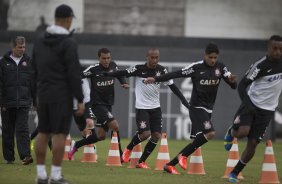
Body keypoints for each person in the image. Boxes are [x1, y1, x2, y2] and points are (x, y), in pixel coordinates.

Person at [145, 43, 237, 174]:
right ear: (205, 55)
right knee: (210, 133)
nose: (213, 60)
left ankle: (170, 165)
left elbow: (233, 85)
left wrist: (233, 81)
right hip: (196, 107)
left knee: (197, 140)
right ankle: (183, 156)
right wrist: (155, 78)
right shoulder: (196, 67)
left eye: (215, 57)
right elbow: (176, 74)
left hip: (208, 109)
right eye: (210, 57)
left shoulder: (221, 67)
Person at [106, 48, 189, 169]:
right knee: (145, 134)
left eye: (157, 57)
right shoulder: (139, 69)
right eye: (152, 57)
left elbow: (173, 86)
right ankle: (128, 149)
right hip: (142, 107)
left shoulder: (162, 70)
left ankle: (141, 162)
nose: (154, 60)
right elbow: (123, 72)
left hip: (156, 108)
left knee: (156, 136)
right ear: (147, 57)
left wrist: (184, 101)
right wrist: (108, 74)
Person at [32, 4, 84, 184]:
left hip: (43, 93)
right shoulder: (69, 42)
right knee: (60, 134)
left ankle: (40, 175)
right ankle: (55, 176)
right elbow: (73, 72)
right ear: (68, 20)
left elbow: (34, 69)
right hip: (62, 94)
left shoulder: (39, 39)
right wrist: (80, 98)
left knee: (43, 132)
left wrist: (35, 96)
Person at [223, 35, 282, 182]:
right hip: (252, 103)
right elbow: (242, 85)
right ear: (268, 48)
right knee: (242, 133)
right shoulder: (260, 65)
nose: (278, 52)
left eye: (281, 49)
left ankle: (235, 173)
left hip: (267, 110)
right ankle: (231, 131)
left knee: (253, 143)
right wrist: (248, 104)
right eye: (274, 48)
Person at [68, 48, 129, 162]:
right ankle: (121, 155)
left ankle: (76, 145)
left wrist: (123, 82)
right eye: (104, 58)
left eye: (108, 58)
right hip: (97, 104)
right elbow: (79, 76)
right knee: (115, 126)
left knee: (100, 136)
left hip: (108, 104)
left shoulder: (113, 65)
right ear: (99, 58)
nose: (106, 61)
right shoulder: (93, 69)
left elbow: (119, 74)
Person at [0, 36, 34, 165]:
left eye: (24, 47)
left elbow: (33, 83)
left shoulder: (29, 62)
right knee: (8, 131)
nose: (22, 49)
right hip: (7, 103)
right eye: (20, 47)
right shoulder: (3, 62)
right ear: (12, 47)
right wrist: (1, 102)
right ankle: (9, 158)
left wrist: (35, 101)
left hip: (24, 102)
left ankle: (26, 156)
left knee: (23, 130)